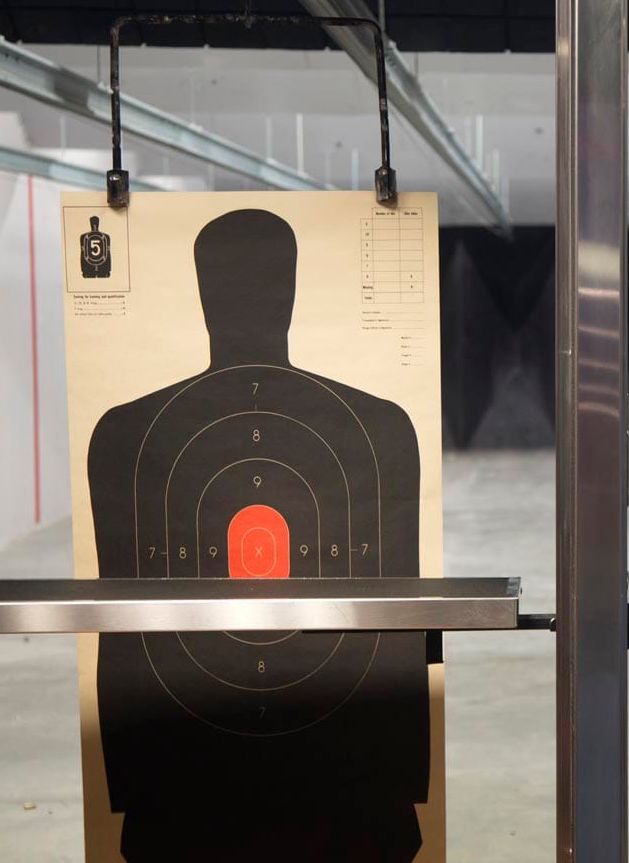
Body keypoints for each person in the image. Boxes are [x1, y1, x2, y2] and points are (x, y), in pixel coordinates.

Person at [87, 209, 427, 862]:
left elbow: (127, 643)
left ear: (204, 287)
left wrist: (136, 782)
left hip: (182, 785)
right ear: (289, 287)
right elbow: (396, 634)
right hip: (348, 788)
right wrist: (396, 778)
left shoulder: (124, 435)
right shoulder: (382, 426)